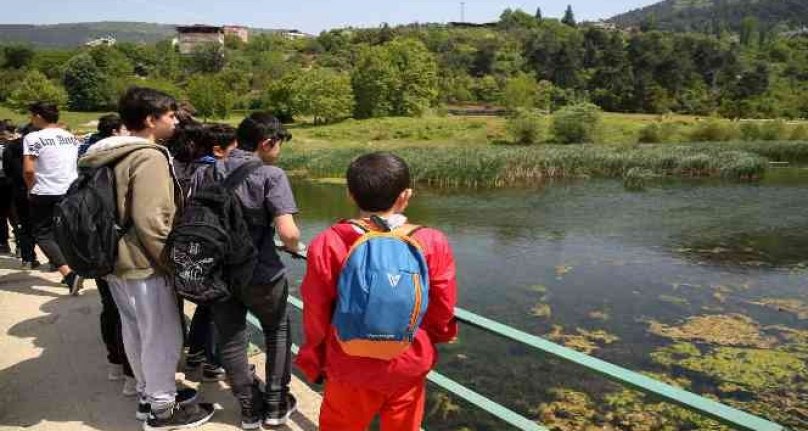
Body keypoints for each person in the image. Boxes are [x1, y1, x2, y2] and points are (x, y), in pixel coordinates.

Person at [80, 87, 214, 430]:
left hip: (114, 259)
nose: (174, 120)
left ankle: (148, 395)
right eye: (169, 115)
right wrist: (173, 264)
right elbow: (153, 221)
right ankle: (162, 410)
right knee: (162, 335)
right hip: (144, 262)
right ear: (151, 120)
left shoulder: (106, 152)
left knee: (136, 331)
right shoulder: (149, 156)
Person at [296, 152, 458, 431]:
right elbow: (442, 309)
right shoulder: (431, 241)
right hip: (407, 360)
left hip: (348, 364)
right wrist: (437, 338)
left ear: (349, 194)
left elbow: (316, 309)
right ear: (406, 195)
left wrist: (315, 355)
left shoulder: (329, 241)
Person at [189, 112, 299, 430]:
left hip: (217, 272)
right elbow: (288, 232)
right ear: (266, 143)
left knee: (232, 338)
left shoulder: (205, 172)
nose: (278, 151)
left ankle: (250, 409)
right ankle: (277, 405)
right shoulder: (271, 175)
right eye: (277, 145)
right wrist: (294, 247)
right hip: (261, 273)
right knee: (277, 332)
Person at [183, 124, 238, 383]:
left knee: (206, 304)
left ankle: (195, 351)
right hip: (215, 247)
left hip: (197, 244)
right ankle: (214, 362)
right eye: (234, 149)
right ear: (218, 150)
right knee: (219, 303)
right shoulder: (214, 172)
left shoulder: (195, 169)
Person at [22, 102, 82, 292]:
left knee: (42, 233)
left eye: (32, 115)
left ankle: (69, 274)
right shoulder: (70, 137)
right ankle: (77, 267)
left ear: (39, 116)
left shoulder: (33, 137)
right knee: (65, 231)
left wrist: (30, 188)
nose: (30, 119)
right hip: (70, 189)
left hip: (45, 191)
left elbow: (29, 170)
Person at [3, 124, 38, 267]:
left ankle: (27, 258)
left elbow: (7, 169)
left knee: (24, 224)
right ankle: (56, 261)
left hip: (18, 189)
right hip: (39, 187)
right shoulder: (39, 146)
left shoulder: (10, 147)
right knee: (47, 226)